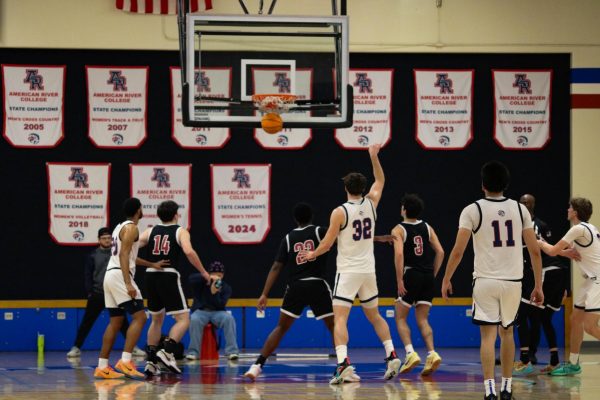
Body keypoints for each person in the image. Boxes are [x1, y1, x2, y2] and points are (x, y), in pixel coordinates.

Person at [299, 144, 401, 385]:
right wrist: (374, 156)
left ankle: (343, 363)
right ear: (363, 189)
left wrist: (310, 254)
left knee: (341, 319)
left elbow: (326, 244)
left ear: (345, 188)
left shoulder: (340, 212)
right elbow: (381, 179)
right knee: (375, 316)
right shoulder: (372, 203)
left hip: (347, 272)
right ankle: (391, 354)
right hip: (368, 271)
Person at [441, 161, 543, 400]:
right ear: (506, 183)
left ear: (483, 184)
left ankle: (489, 391)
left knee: (487, 337)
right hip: (513, 282)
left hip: (485, 280)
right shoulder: (521, 210)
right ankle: (507, 388)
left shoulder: (472, 209)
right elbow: (535, 251)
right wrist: (538, 284)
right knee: (507, 333)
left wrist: (446, 278)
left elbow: (458, 250)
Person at [244, 203, 342, 381]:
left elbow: (276, 267)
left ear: (295, 219)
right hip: (316, 284)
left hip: (295, 287)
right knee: (335, 326)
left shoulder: (288, 238)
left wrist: (264, 293)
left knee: (281, 328)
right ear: (312, 216)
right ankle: (344, 366)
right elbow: (345, 237)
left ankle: (257, 365)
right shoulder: (321, 231)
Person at [94, 197, 168, 379]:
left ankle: (102, 366)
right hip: (120, 275)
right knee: (141, 317)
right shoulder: (132, 227)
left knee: (115, 322)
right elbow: (125, 255)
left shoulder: (119, 227)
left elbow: (129, 255)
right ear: (137, 211)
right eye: (141, 208)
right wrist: (128, 282)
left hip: (110, 275)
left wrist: (152, 263)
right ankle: (126, 361)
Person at [138, 200, 211, 375]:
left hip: (150, 275)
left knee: (156, 320)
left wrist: (147, 263)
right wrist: (203, 272)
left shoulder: (150, 231)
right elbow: (189, 251)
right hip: (168, 275)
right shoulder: (180, 231)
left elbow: (131, 247)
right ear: (176, 215)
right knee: (184, 319)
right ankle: (167, 351)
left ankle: (151, 361)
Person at [538, 197, 600, 376]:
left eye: (570, 207)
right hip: (590, 280)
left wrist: (539, 242)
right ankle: (573, 364)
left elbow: (552, 251)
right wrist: (567, 253)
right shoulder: (589, 228)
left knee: (589, 326)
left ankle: (573, 363)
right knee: (575, 320)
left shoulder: (578, 229)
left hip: (597, 280)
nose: (567, 210)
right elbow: (571, 253)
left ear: (575, 212)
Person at [513, 194, 571, 375]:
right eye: (522, 202)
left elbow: (546, 251)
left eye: (528, 202)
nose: (525, 205)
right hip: (556, 271)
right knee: (543, 317)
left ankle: (525, 359)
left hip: (545, 271)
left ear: (533, 205)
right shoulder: (519, 223)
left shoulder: (533, 225)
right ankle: (554, 361)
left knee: (522, 314)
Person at [67, 227, 145, 359]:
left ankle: (133, 348)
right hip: (98, 293)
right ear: (99, 240)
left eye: (109, 238)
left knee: (122, 322)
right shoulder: (93, 255)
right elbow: (88, 275)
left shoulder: (116, 254)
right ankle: (76, 347)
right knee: (87, 321)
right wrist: (90, 292)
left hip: (115, 293)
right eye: (104, 238)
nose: (107, 240)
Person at [391, 194, 445, 375]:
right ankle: (432, 353)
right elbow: (440, 252)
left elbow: (399, 255)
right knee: (423, 319)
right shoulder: (427, 227)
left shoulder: (398, 230)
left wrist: (399, 280)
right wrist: (433, 274)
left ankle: (410, 353)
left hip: (411, 274)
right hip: (428, 275)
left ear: (404, 209)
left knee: (400, 317)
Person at [185, 261, 240, 361]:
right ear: (209, 273)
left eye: (219, 275)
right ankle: (193, 353)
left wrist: (215, 293)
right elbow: (191, 278)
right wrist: (207, 277)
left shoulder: (226, 288)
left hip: (217, 312)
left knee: (229, 319)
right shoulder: (201, 282)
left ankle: (232, 352)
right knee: (194, 319)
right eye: (214, 274)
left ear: (223, 275)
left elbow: (221, 305)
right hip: (201, 311)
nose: (217, 277)